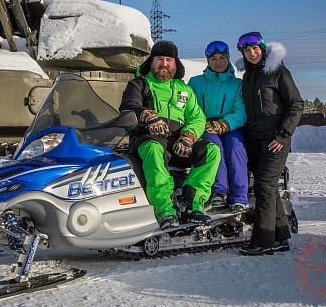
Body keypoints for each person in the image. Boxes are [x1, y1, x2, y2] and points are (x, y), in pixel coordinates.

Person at [120, 40, 221, 230]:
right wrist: (147, 116)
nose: (164, 64)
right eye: (159, 59)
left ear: (176, 64)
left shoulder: (185, 90)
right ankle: (165, 209)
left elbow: (198, 118)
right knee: (153, 148)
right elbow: (128, 106)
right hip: (147, 139)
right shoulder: (139, 84)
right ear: (151, 62)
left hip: (178, 143)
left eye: (169, 60)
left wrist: (189, 136)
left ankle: (193, 204)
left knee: (211, 150)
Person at [234, 32, 304, 256]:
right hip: (254, 142)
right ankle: (281, 237)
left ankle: (263, 241)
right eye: (247, 50)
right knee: (269, 188)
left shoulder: (278, 72)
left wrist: (283, 135)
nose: (252, 53)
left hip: (276, 141)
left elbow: (296, 104)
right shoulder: (246, 77)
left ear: (263, 49)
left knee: (264, 187)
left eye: (255, 48)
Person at [188, 41, 249, 211]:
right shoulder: (195, 83)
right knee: (213, 146)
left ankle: (239, 196)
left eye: (222, 57)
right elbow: (189, 107)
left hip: (230, 126)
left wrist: (224, 124)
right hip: (206, 126)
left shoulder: (237, 84)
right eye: (213, 58)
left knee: (235, 147)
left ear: (228, 58)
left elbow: (241, 110)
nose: (218, 62)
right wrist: (202, 124)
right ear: (208, 61)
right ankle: (218, 192)